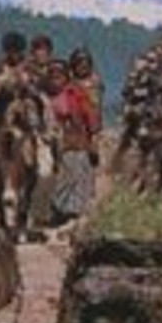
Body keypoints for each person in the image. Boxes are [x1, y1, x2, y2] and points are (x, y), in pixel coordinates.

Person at [46, 60, 100, 226]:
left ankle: (73, 213)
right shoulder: (48, 99)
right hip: (59, 142)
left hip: (77, 140)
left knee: (78, 175)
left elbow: (89, 117)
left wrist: (93, 139)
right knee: (63, 177)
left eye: (59, 76)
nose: (56, 80)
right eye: (53, 77)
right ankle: (60, 210)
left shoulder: (76, 93)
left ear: (66, 76)